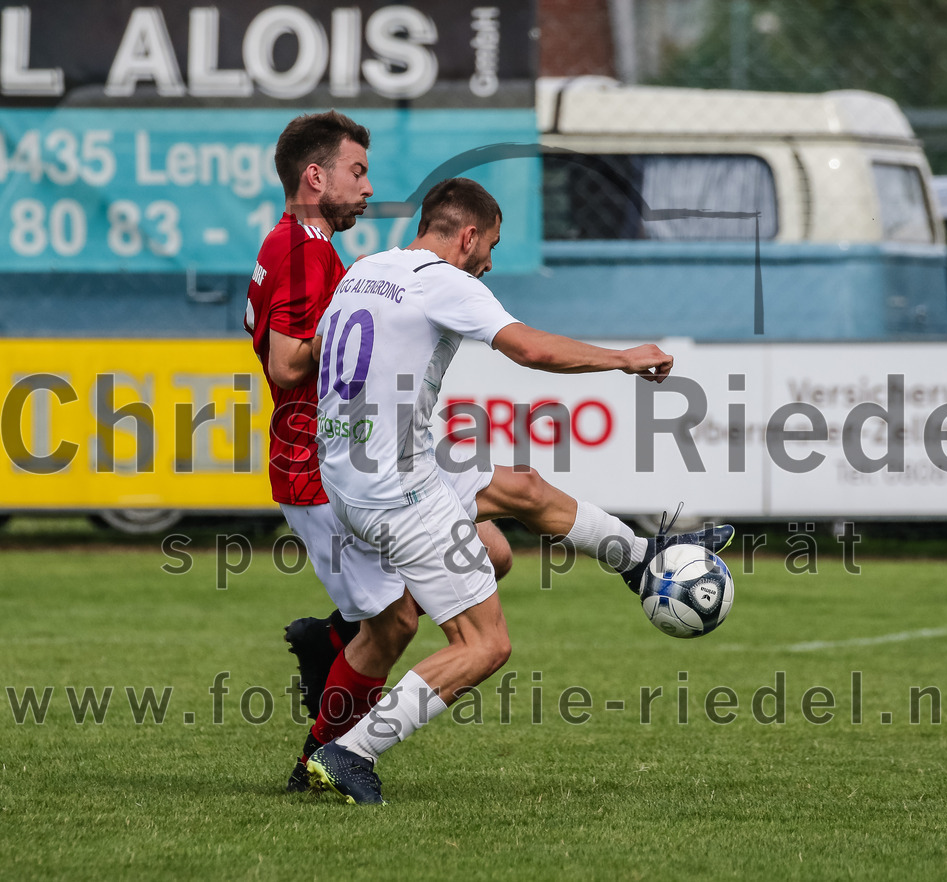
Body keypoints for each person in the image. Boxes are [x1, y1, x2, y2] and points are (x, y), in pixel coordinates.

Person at [305, 177, 733, 804]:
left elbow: (325, 350)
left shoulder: (366, 270)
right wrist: (622, 359)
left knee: (524, 488)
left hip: (355, 469)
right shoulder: (444, 281)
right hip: (396, 489)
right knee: (485, 645)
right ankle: (350, 753)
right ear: (468, 236)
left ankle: (641, 561)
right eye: (491, 247)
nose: (489, 263)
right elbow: (530, 349)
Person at [244, 113, 512, 792]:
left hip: (370, 453)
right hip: (323, 461)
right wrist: (353, 326)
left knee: (493, 551)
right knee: (393, 625)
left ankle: (334, 639)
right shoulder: (302, 248)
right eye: (357, 172)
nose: (368, 188)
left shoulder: (306, 246)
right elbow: (285, 363)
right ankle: (321, 755)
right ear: (315, 177)